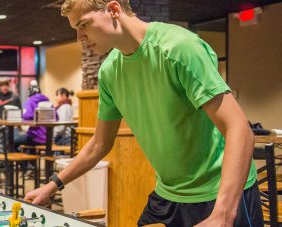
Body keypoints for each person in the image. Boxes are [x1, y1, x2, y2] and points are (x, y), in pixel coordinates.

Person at [25, 1, 261, 226]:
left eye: (83, 25)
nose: (79, 38)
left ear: (114, 10)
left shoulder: (178, 47)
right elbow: (99, 144)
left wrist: (223, 215)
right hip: (169, 194)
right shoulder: (109, 73)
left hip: (220, 194)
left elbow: (239, 129)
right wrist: (52, 186)